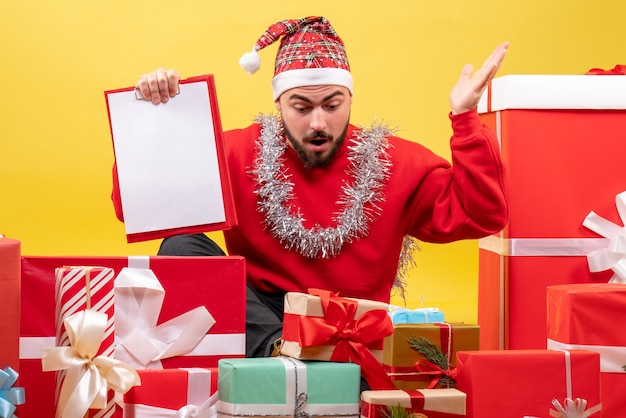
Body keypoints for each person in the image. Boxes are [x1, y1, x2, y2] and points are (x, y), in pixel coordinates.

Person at [112, 16, 509, 361]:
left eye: (332, 105)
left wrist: (465, 119)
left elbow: (483, 214)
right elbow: (137, 206)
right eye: (301, 107)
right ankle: (279, 355)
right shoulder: (237, 154)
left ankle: (307, 362)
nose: (318, 122)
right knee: (181, 246)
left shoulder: (396, 162)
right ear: (279, 103)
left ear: (350, 98)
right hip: (262, 319)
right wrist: (157, 115)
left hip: (352, 323)